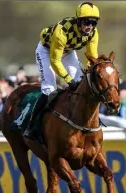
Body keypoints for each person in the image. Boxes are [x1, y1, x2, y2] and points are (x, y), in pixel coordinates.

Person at [23, 2, 100, 139]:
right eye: (87, 21)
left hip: (68, 51)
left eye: (94, 23)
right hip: (47, 52)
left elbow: (92, 57)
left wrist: (88, 73)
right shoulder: (62, 31)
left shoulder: (93, 33)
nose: (90, 26)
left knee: (80, 84)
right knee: (49, 89)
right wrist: (68, 80)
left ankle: (79, 122)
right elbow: (55, 61)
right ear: (79, 20)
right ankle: (32, 126)